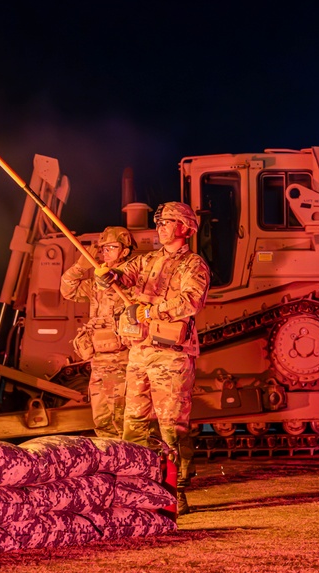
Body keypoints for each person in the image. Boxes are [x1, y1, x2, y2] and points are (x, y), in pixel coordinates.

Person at [107, 202, 210, 516]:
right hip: (140, 352)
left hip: (171, 357)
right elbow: (123, 276)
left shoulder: (194, 265)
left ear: (183, 227)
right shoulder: (148, 260)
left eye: (167, 222)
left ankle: (173, 492)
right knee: (133, 426)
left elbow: (191, 300)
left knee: (171, 430)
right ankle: (132, 491)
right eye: (159, 222)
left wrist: (152, 311)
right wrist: (108, 275)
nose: (160, 227)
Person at [60, 226, 134, 439]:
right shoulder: (95, 286)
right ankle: (112, 464)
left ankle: (129, 466)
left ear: (125, 251)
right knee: (102, 421)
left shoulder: (130, 280)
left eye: (111, 247)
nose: (105, 252)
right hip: (99, 362)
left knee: (123, 421)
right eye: (103, 248)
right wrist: (80, 266)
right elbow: (68, 289)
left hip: (123, 362)